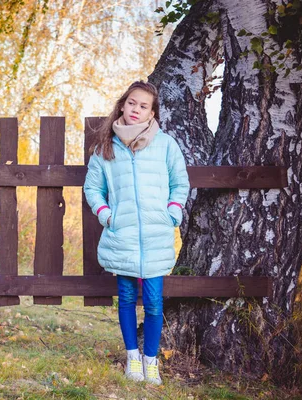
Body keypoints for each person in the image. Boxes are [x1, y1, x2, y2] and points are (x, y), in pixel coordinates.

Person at [83, 81, 189, 384]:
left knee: (155, 302)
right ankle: (132, 357)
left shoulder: (166, 144)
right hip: (122, 234)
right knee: (127, 298)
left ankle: (150, 361)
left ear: (151, 112)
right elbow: (93, 187)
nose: (136, 109)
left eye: (143, 106)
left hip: (156, 235)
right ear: (122, 105)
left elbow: (180, 182)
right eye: (132, 103)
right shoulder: (106, 147)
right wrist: (106, 214)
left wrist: (171, 211)